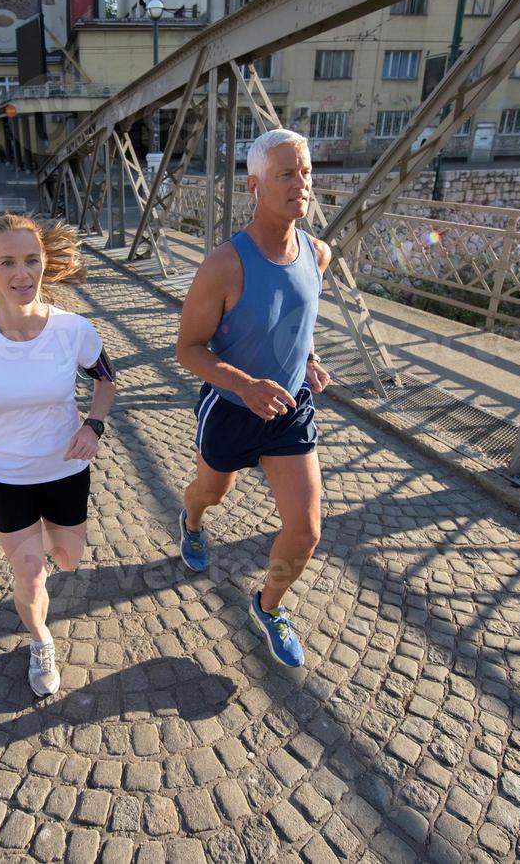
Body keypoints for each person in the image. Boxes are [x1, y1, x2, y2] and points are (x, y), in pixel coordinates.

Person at [0, 214, 116, 696]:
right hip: (5, 474)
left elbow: (105, 378)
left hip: (65, 468)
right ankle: (40, 642)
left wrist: (94, 425)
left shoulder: (73, 330)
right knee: (30, 570)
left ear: (44, 263)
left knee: (68, 558)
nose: (22, 274)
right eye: (8, 262)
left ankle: (47, 565)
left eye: (31, 260)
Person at [173, 128, 331, 668]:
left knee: (307, 528)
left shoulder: (318, 253)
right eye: (287, 174)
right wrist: (243, 384)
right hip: (232, 410)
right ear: (255, 185)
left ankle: (269, 605)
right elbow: (188, 349)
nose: (301, 185)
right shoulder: (224, 265)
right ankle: (191, 522)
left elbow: (297, 318)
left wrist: (306, 360)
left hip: (288, 412)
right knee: (212, 493)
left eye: (306, 173)